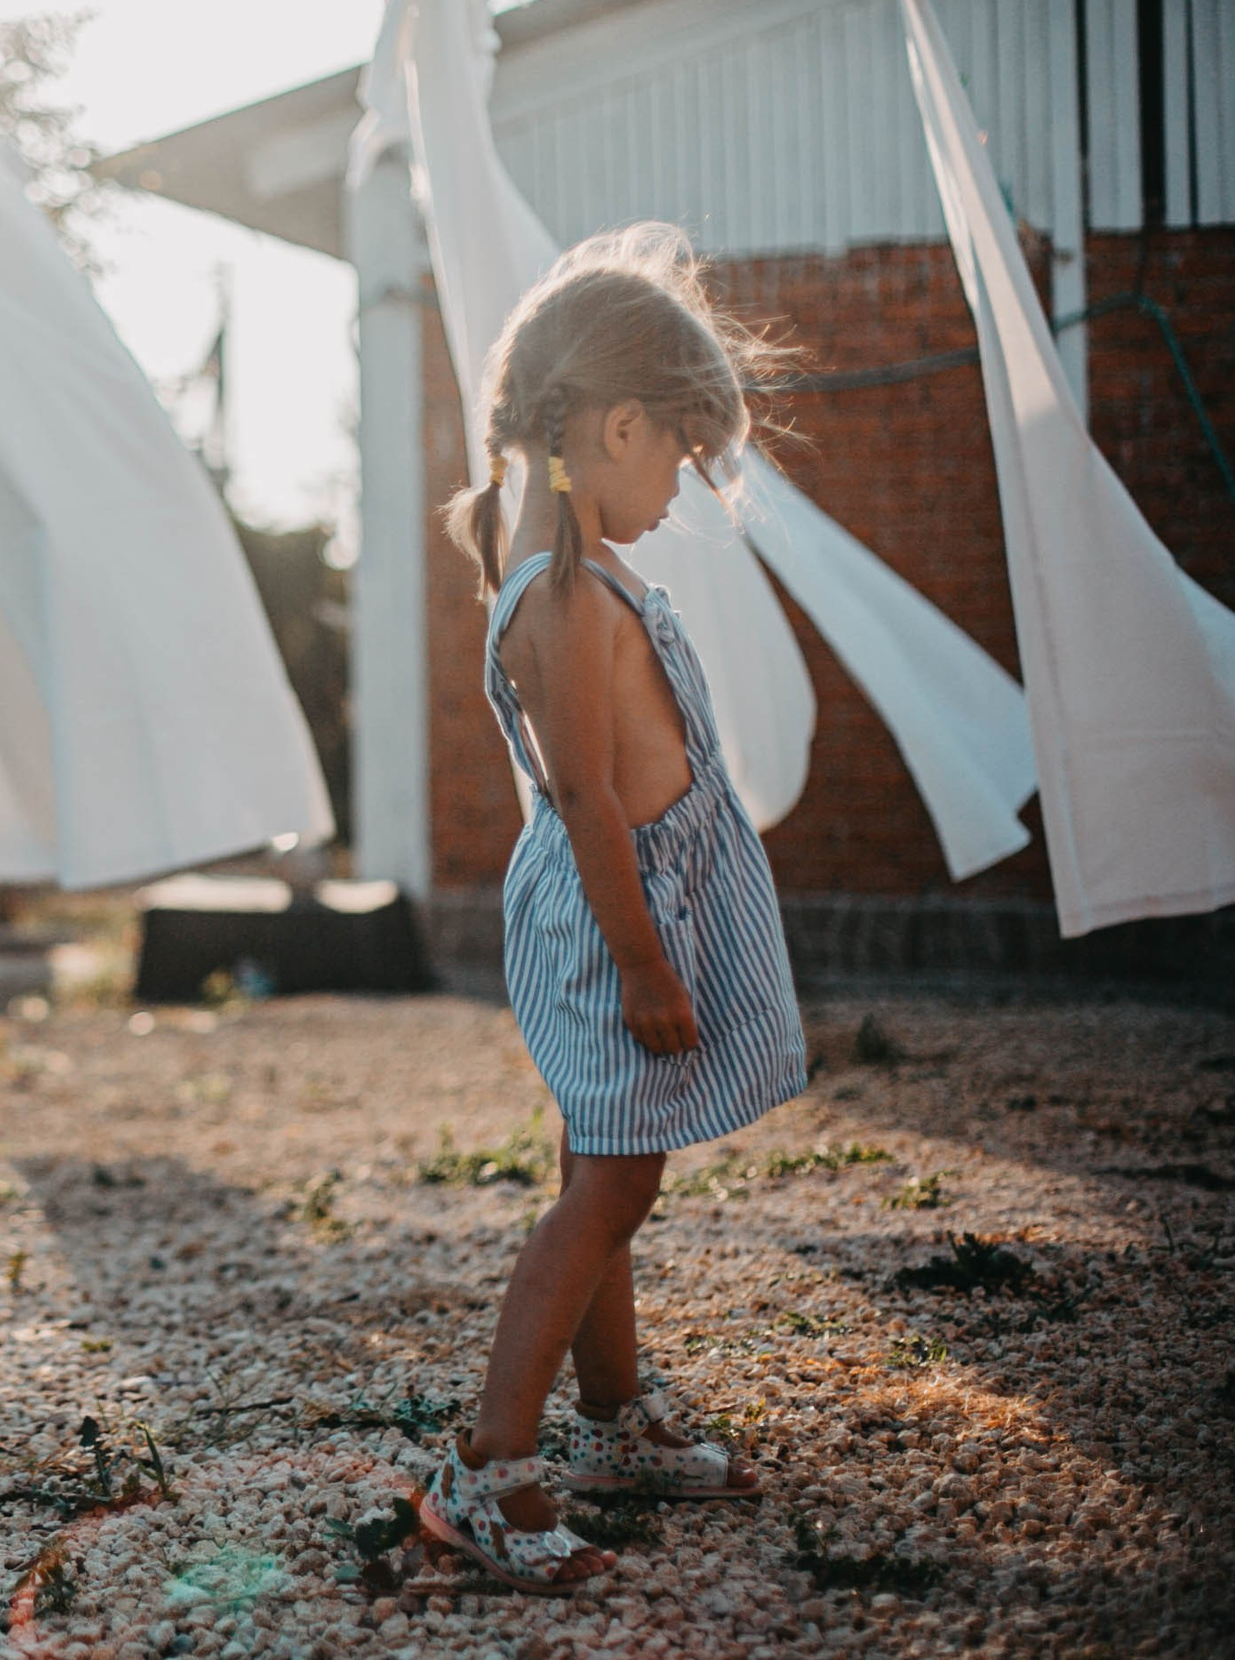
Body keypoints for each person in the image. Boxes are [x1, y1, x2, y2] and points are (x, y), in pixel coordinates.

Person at [418, 222, 808, 1595]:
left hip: (637, 895)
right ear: (620, 424)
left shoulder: (578, 567)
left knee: (612, 1163)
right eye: (682, 457)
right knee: (612, 1183)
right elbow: (586, 798)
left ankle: (614, 1418)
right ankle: (488, 1465)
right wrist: (644, 967)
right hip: (613, 914)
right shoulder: (565, 596)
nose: (681, 486)